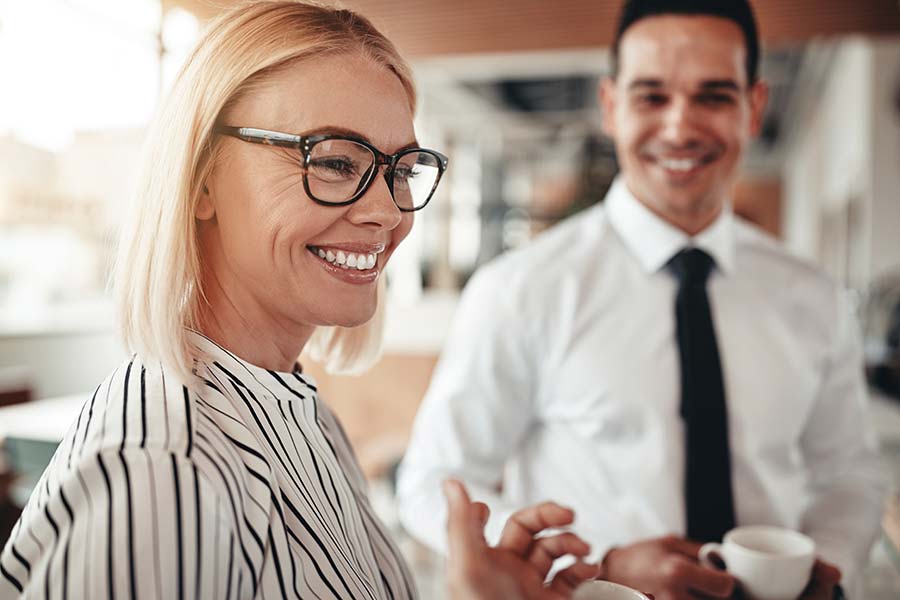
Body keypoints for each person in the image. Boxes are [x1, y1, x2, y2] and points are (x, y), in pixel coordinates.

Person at [0, 3, 600, 599]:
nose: (388, 212)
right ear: (202, 177)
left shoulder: (306, 414)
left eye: (401, 170)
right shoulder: (161, 471)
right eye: (337, 161)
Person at [396, 1, 887, 598]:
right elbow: (432, 483)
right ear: (610, 105)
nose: (680, 127)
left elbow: (849, 474)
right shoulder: (521, 290)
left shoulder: (813, 294)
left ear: (754, 107)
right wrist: (590, 567)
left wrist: (828, 568)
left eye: (713, 96)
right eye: (652, 96)